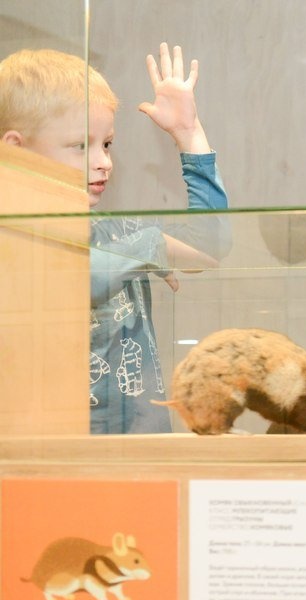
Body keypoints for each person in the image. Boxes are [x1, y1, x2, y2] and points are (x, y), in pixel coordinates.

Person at [0, 44, 230, 434]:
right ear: (16, 151)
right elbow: (68, 281)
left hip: (141, 446)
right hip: (52, 454)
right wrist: (149, 248)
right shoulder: (12, 238)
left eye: (106, 144)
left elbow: (208, 248)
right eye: (79, 146)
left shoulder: (118, 230)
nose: (103, 161)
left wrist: (189, 135)